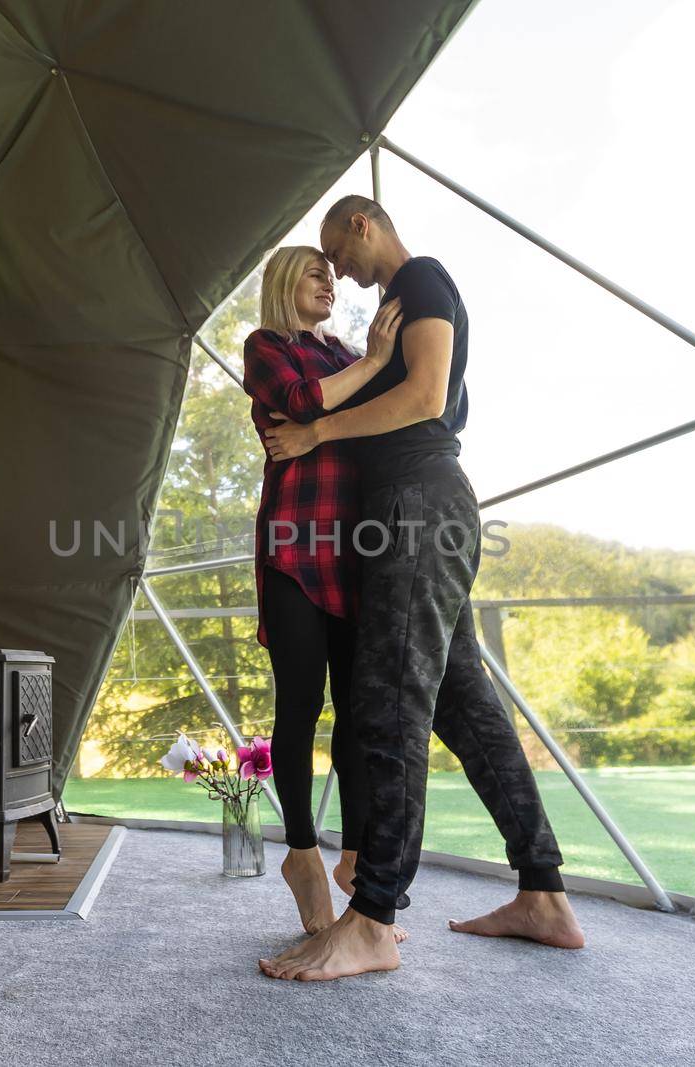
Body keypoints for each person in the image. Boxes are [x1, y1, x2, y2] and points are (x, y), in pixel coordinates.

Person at [257, 196, 585, 981]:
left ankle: (372, 918)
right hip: (407, 512)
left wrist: (316, 432)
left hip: (417, 504)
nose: (339, 271)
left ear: (362, 224)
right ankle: (543, 891)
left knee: (387, 704)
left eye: (337, 252)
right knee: (463, 706)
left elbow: (426, 398)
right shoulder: (374, 325)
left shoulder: (424, 281)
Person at [241, 245, 404, 935]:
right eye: (316, 273)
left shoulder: (342, 353)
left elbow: (366, 420)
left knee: (360, 711)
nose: (329, 283)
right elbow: (301, 402)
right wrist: (368, 366)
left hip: (353, 554)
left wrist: (341, 401)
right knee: (302, 702)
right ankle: (303, 854)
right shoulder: (265, 347)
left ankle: (358, 864)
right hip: (292, 547)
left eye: (332, 276)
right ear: (285, 283)